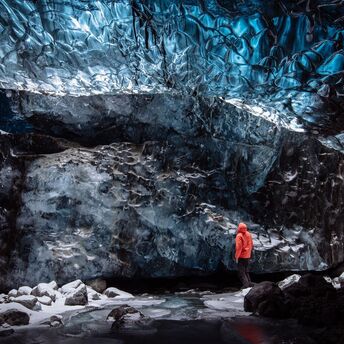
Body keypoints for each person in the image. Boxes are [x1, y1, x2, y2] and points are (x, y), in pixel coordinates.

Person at [235, 222, 254, 288]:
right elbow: (251, 244)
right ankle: (250, 284)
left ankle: (246, 286)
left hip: (241, 256)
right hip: (247, 256)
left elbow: (238, 248)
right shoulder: (248, 234)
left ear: (239, 228)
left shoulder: (239, 236)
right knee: (246, 271)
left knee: (241, 273)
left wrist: (237, 257)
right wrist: (249, 253)